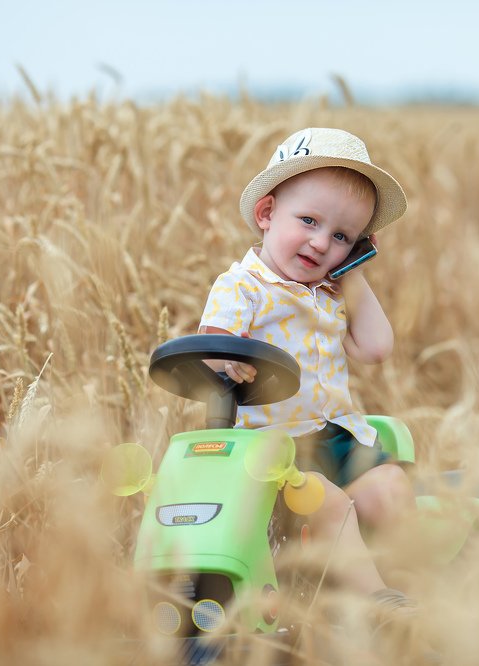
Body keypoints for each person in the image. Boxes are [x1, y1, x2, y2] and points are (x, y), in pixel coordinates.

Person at [198, 127, 418, 619]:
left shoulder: (330, 290)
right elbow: (211, 343)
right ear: (267, 213)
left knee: (389, 490)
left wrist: (353, 273)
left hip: (335, 438)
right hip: (271, 450)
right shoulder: (244, 285)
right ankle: (380, 604)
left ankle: (411, 584)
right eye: (309, 221)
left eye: (341, 236)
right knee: (326, 504)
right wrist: (228, 356)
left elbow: (377, 348)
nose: (322, 244)